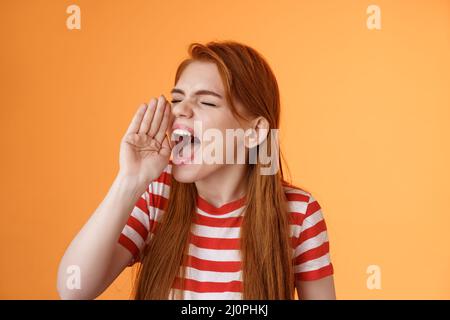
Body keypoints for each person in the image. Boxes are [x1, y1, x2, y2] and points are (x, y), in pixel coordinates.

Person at [57, 41, 336, 300]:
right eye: (177, 99)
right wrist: (130, 180)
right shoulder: (157, 196)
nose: (181, 111)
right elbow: (73, 289)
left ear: (255, 132)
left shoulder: (298, 213)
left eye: (206, 102)